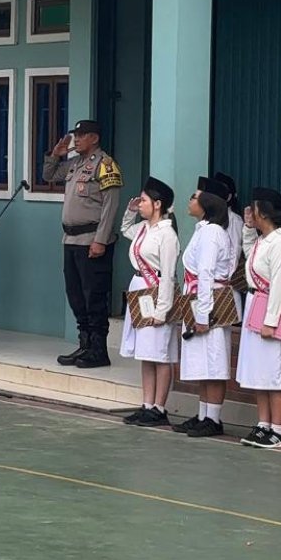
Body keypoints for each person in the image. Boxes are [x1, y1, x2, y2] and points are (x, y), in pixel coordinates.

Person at [43, 119, 123, 368]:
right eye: (75, 136)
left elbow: (110, 207)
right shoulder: (75, 164)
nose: (76, 140)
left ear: (94, 138)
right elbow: (48, 175)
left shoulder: (106, 165)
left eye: (81, 136)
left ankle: (99, 349)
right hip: (71, 238)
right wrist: (54, 155)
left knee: (94, 295)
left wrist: (100, 240)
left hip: (92, 240)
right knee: (76, 295)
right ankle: (85, 344)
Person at [237, 187, 281, 450]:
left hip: (271, 309)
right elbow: (250, 254)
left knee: (276, 372)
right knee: (259, 371)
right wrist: (248, 228)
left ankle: (278, 430)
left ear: (263, 211)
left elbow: (278, 286)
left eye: (254, 208)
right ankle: (263, 424)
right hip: (256, 304)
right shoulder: (263, 240)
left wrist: (271, 320)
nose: (251, 212)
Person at [172, 184, 234, 439]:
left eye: (195, 197)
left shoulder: (212, 233)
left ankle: (213, 418)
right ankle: (203, 415)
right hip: (200, 299)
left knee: (214, 362)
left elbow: (206, 273)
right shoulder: (204, 231)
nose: (190, 200)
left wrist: (203, 315)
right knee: (202, 363)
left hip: (210, 303)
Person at [119, 176, 180, 427]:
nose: (140, 203)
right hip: (139, 290)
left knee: (160, 352)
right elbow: (125, 230)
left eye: (143, 200)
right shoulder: (144, 228)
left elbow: (168, 275)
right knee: (146, 352)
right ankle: (146, 404)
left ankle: (159, 407)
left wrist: (163, 309)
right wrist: (129, 212)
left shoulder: (167, 235)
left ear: (157, 204)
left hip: (155, 292)